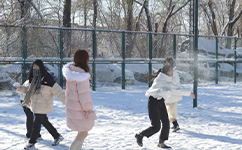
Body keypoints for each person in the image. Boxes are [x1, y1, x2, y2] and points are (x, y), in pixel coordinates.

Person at [135, 65, 195, 149]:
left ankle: (161, 142)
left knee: (166, 123)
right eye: (171, 71)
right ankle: (140, 135)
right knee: (156, 127)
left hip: (160, 101)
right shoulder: (164, 80)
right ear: (166, 73)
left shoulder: (165, 78)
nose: (172, 73)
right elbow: (175, 90)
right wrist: (189, 93)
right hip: (153, 103)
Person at [14, 59, 65, 149]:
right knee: (44, 121)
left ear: (41, 67)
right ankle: (57, 136)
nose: (35, 68)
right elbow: (28, 91)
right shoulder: (33, 78)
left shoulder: (48, 79)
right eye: (34, 66)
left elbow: (59, 92)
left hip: (44, 105)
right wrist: (20, 88)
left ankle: (31, 142)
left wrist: (68, 103)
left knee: (36, 124)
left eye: (37, 66)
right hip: (35, 105)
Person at [62, 49, 97, 150]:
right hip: (80, 110)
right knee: (83, 133)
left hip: (72, 108)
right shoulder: (81, 76)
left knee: (81, 132)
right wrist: (89, 110)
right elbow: (84, 97)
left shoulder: (71, 71)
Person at [163, 57, 186, 132]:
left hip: (172, 95)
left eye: (166, 62)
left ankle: (176, 125)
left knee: (170, 111)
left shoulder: (172, 72)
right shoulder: (168, 72)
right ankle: (175, 125)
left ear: (169, 63)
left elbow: (174, 83)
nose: (165, 64)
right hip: (171, 95)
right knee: (169, 111)